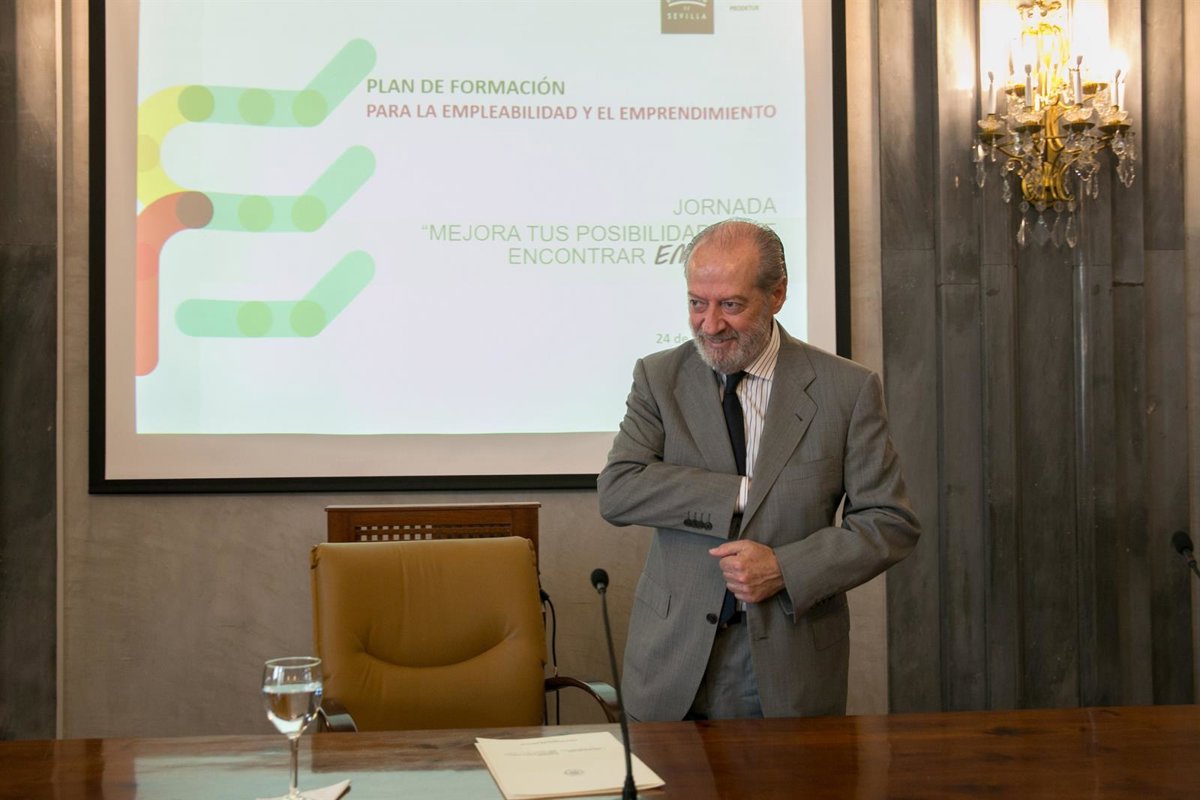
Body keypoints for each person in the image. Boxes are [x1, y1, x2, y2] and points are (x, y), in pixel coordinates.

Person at [597, 218, 920, 721]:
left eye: (730, 305)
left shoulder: (847, 389)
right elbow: (618, 490)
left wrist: (785, 569)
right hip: (671, 660)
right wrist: (739, 493)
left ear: (777, 295)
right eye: (696, 303)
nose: (710, 325)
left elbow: (889, 524)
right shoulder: (658, 378)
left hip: (789, 663)